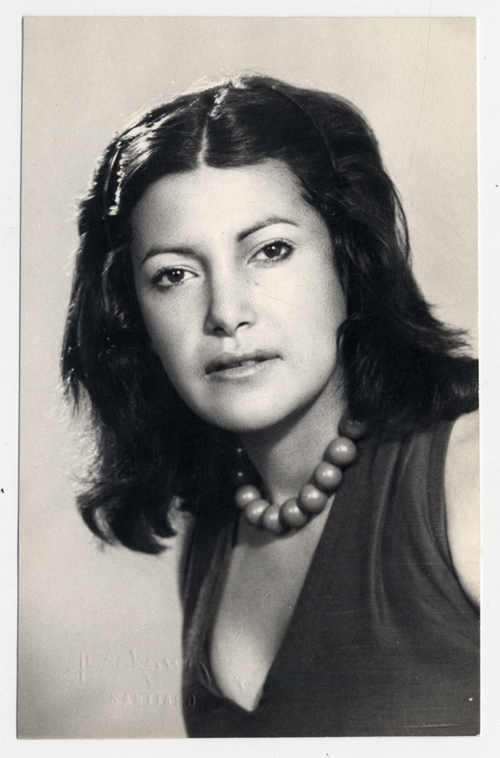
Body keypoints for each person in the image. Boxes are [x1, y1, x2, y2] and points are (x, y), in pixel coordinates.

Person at [62, 74, 479, 737]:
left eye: (271, 250)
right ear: (133, 315)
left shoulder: (472, 475)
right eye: (174, 275)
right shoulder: (213, 535)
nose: (226, 313)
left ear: (350, 259)